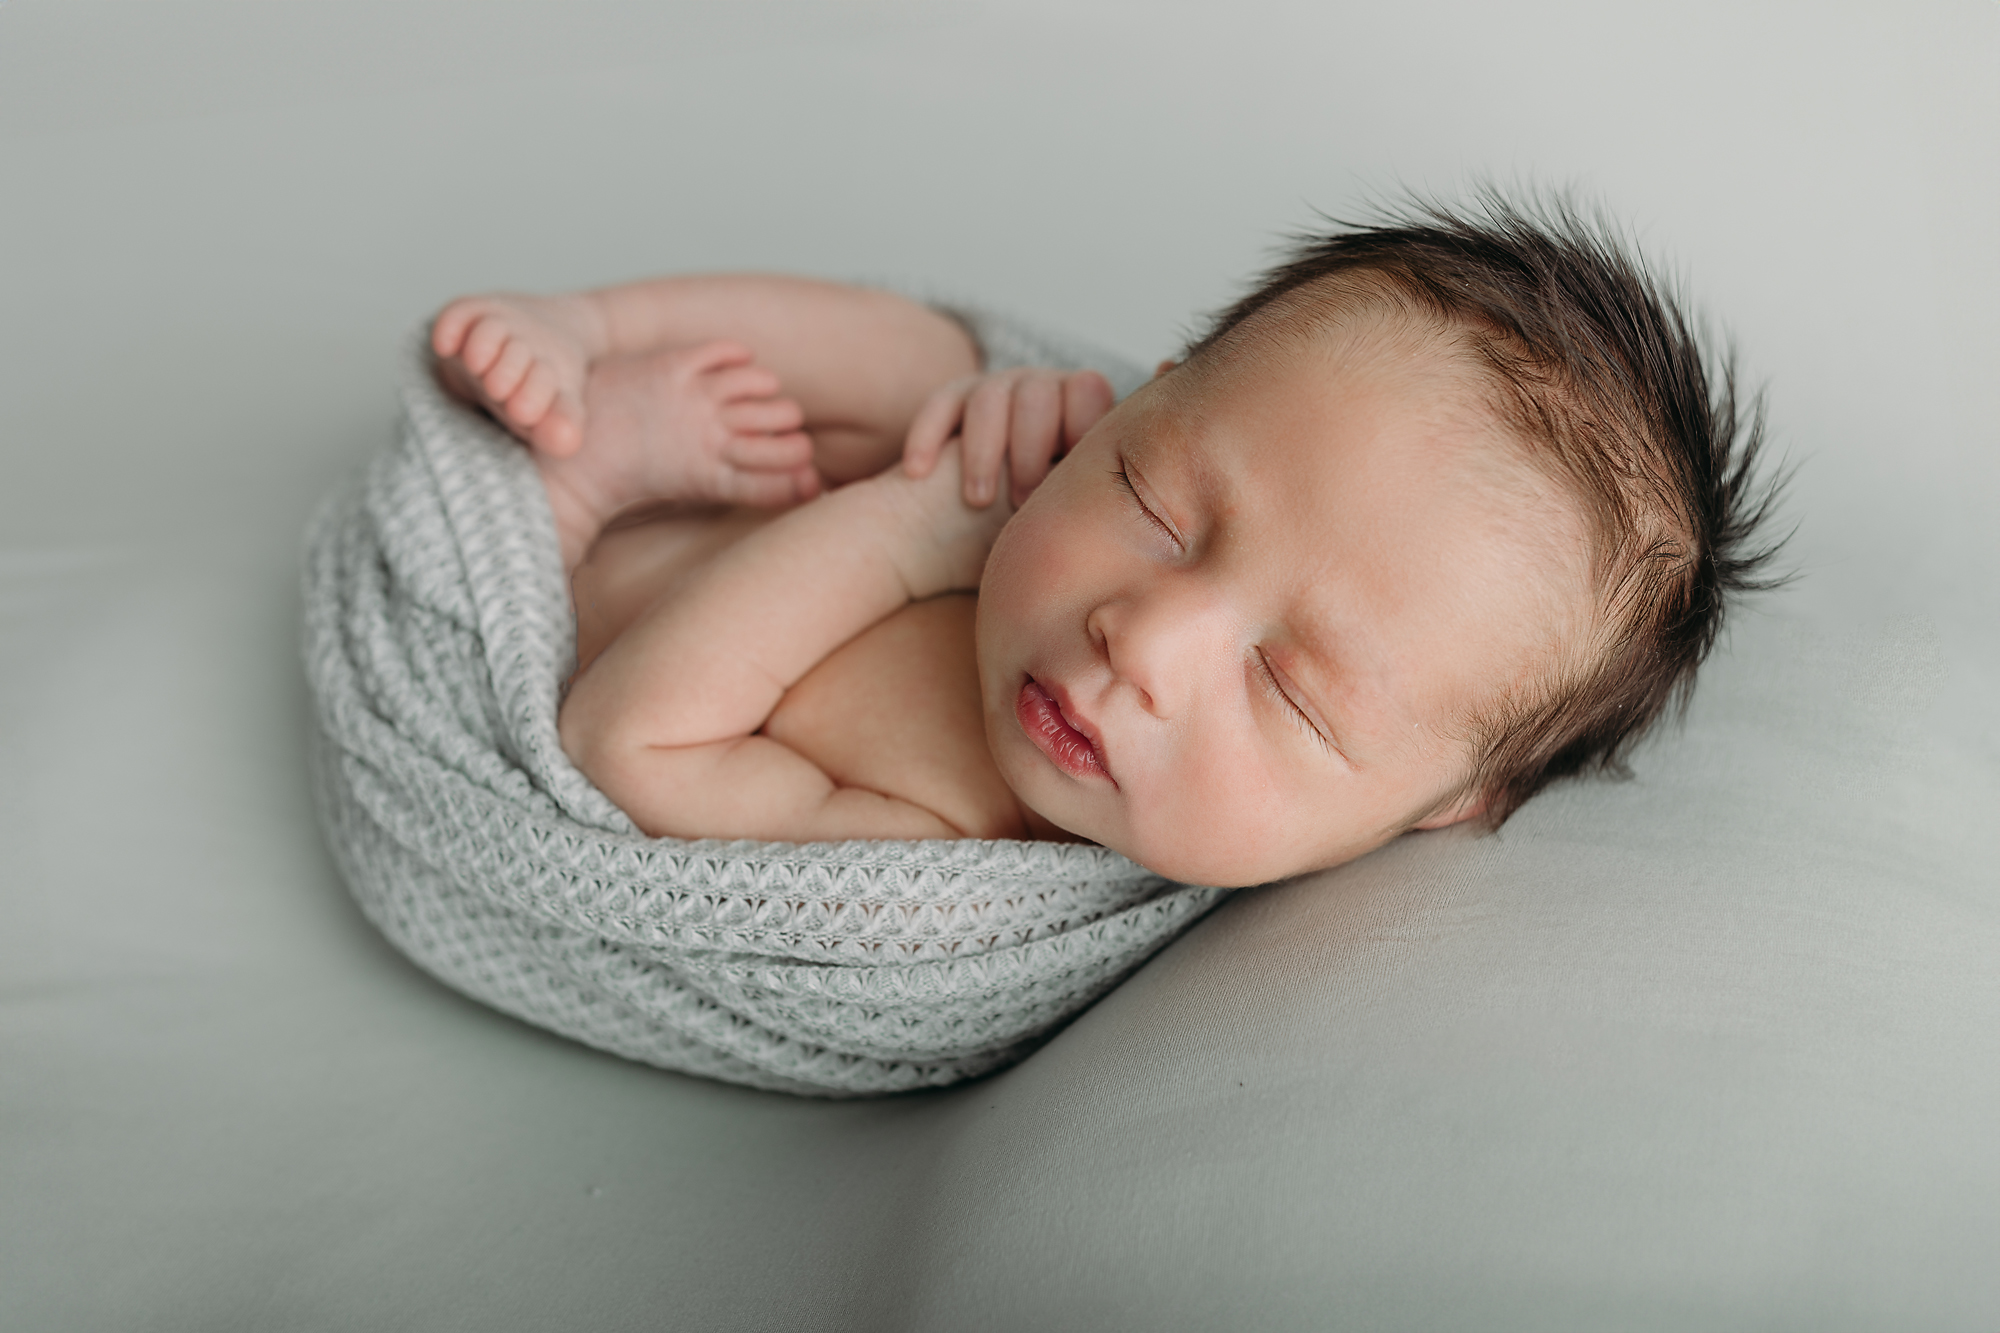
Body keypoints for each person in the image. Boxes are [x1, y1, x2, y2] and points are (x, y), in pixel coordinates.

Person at [427, 197, 1783, 889]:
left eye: (1289, 687)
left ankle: (580, 488)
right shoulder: (1042, 466)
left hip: (588, 583)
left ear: (1441, 805)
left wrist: (910, 533)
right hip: (751, 452)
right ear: (1149, 391)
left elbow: (626, 741)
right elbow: (988, 406)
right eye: (1158, 504)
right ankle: (594, 329)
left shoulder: (949, 836)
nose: (1143, 635)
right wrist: (997, 437)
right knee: (923, 356)